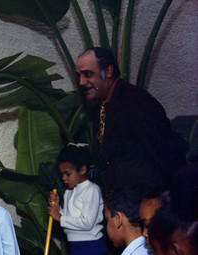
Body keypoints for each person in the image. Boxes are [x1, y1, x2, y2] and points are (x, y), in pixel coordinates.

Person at [75, 47, 187, 192]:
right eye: (79, 75)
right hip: (119, 206)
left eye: (87, 74)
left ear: (108, 71)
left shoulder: (138, 102)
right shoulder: (101, 108)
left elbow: (166, 157)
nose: (81, 82)